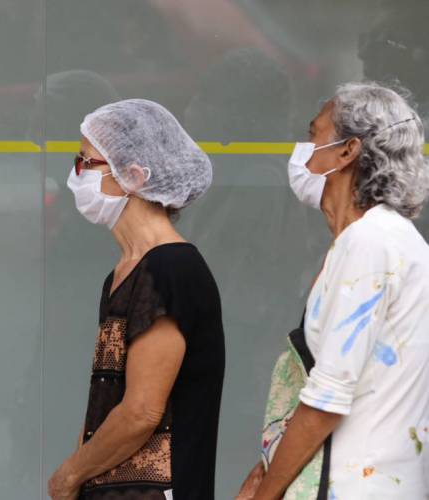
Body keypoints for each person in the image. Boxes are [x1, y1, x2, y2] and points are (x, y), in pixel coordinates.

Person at [238, 82, 429, 500]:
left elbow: (328, 396)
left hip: (354, 484)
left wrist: (267, 492)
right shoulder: (380, 240)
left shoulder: (370, 244)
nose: (303, 149)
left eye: (313, 134)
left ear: (348, 151)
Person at [47, 99, 225, 500]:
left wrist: (67, 476)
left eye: (85, 163)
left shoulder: (170, 269)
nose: (75, 176)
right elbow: (107, 405)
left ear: (133, 176)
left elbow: (141, 412)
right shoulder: (125, 271)